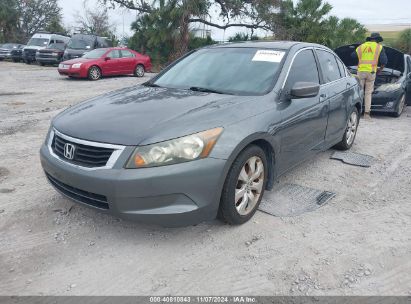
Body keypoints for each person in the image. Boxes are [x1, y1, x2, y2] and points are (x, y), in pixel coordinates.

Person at [353, 32, 388, 119]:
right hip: (371, 72)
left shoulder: (362, 46)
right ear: (377, 40)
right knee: (368, 93)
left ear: (371, 39)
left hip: (361, 71)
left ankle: (358, 111)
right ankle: (366, 114)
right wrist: (380, 69)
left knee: (359, 91)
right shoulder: (379, 47)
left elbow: (352, 56)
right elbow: (384, 61)